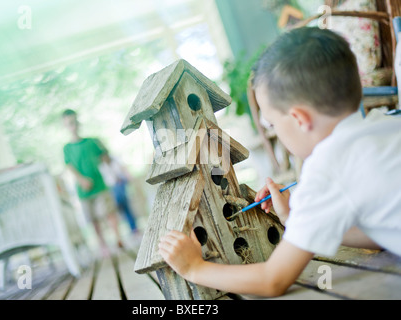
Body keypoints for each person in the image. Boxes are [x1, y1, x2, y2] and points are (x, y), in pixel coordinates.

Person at [158, 27, 401, 297]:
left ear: (299, 119)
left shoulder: (324, 171)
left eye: (272, 124)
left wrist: (194, 268)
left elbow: (273, 280)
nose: (274, 131)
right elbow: (382, 232)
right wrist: (297, 219)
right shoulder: (387, 123)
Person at [62, 109, 123, 257]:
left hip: (99, 185)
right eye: (70, 123)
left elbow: (106, 158)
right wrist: (81, 180)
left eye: (75, 121)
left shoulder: (92, 141)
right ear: (65, 126)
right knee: (93, 219)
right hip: (83, 190)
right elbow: (69, 166)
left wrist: (113, 171)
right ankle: (103, 245)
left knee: (109, 212)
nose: (73, 125)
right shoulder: (67, 148)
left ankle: (118, 238)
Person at [100, 154, 140, 235]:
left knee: (125, 207)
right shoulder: (101, 166)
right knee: (122, 208)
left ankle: (134, 228)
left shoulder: (115, 160)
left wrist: (128, 178)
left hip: (121, 184)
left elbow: (124, 171)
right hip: (112, 188)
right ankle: (133, 228)